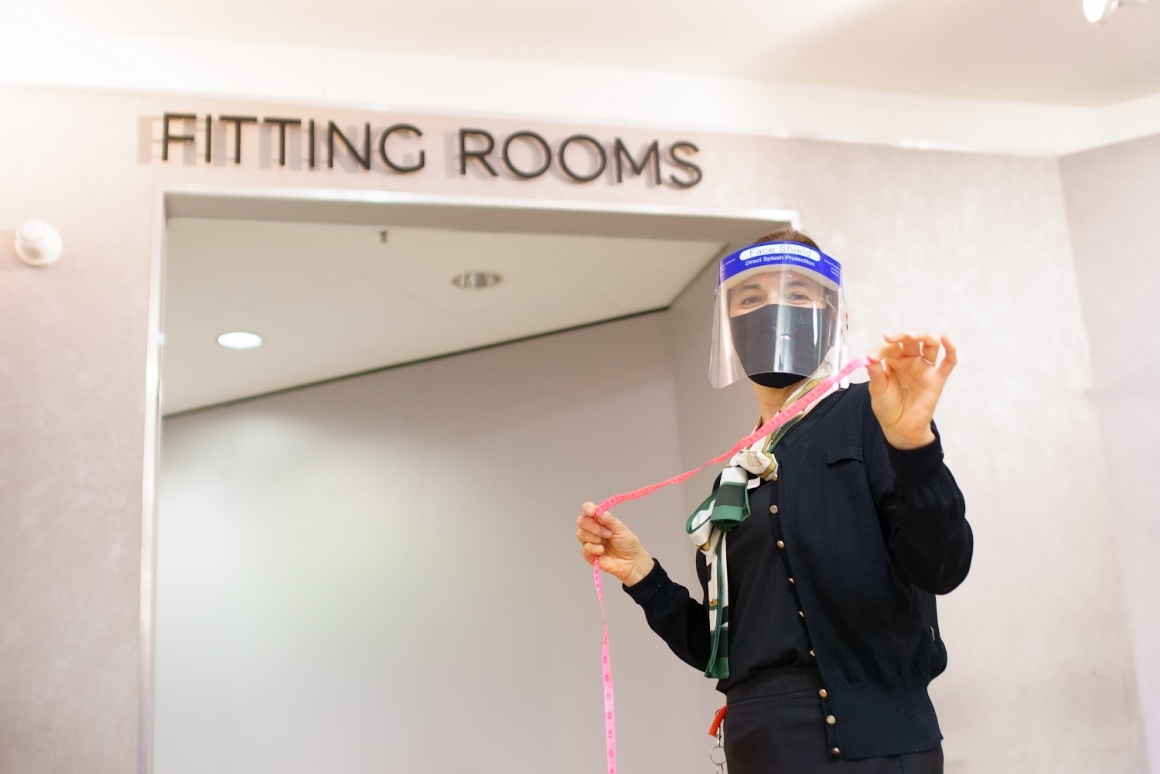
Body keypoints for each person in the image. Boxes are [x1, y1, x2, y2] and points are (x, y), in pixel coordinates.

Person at [576, 228, 971, 773]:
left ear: (836, 318)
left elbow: (943, 565)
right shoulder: (738, 476)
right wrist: (644, 575)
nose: (773, 309)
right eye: (750, 299)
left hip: (874, 747)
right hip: (761, 750)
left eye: (798, 295)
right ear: (729, 326)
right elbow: (726, 652)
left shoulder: (872, 416)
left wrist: (914, 447)